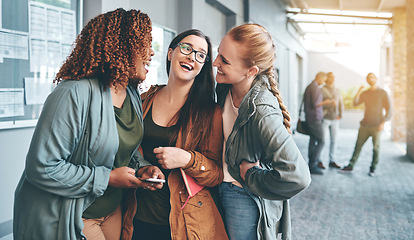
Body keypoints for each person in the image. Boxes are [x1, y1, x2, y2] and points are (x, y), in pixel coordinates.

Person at [13, 9, 165, 240]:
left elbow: (123, 147)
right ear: (122, 47)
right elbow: (42, 167)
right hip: (76, 213)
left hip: (111, 208)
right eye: (144, 44)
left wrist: (141, 167)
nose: (151, 53)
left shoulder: (131, 93)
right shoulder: (73, 93)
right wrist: (108, 178)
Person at [213, 23, 311, 240]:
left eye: (225, 61)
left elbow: (298, 176)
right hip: (219, 185)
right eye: (218, 54)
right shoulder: (224, 87)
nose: (215, 63)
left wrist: (252, 175)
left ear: (251, 71)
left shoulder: (262, 112)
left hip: (243, 196)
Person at [132, 29, 228, 240]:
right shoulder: (143, 100)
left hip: (183, 222)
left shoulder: (209, 113)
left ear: (203, 66)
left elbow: (216, 174)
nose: (191, 57)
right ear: (170, 53)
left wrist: (187, 159)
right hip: (135, 215)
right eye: (186, 48)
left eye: (201, 55)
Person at [341, 73, 392, 176]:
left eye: (372, 77)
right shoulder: (365, 93)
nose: (370, 79)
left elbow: (389, 109)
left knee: (376, 148)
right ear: (367, 80)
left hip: (377, 126)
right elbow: (355, 103)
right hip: (364, 125)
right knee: (358, 146)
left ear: (376, 79)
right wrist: (359, 91)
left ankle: (373, 168)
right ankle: (351, 166)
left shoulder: (383, 93)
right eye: (368, 78)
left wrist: (383, 123)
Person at [303, 72, 333, 174]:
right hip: (315, 118)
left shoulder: (310, 86)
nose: (324, 82)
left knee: (313, 140)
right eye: (324, 79)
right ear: (319, 77)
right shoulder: (315, 87)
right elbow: (316, 104)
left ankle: (311, 164)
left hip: (310, 117)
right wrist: (327, 102)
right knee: (321, 140)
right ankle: (313, 164)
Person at [320, 72, 344, 169]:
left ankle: (332, 160)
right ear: (326, 78)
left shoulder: (337, 90)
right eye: (330, 77)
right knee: (322, 140)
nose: (333, 79)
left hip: (335, 119)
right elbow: (318, 104)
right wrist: (329, 104)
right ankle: (319, 160)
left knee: (334, 140)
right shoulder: (321, 90)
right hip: (324, 118)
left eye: (333, 77)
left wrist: (341, 114)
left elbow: (340, 103)